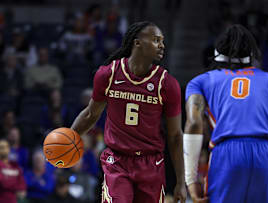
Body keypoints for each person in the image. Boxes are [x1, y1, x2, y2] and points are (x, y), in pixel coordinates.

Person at [184, 24, 268, 203]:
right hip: (267, 155)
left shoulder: (201, 81)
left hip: (227, 154)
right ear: (252, 55)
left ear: (217, 53)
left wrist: (191, 179)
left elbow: (194, 124)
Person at [71, 21, 186, 203]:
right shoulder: (108, 74)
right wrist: (70, 138)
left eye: (162, 41)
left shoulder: (167, 84)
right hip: (117, 160)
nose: (162, 45)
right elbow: (90, 114)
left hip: (151, 163)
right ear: (137, 42)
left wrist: (181, 181)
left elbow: (175, 136)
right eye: (156, 40)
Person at [0, 139, 27, 203]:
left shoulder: (15, 166)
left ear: (9, 149)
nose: (4, 150)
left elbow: (22, 191)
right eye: (1, 147)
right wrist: (14, 186)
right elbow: (3, 184)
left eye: (6, 147)